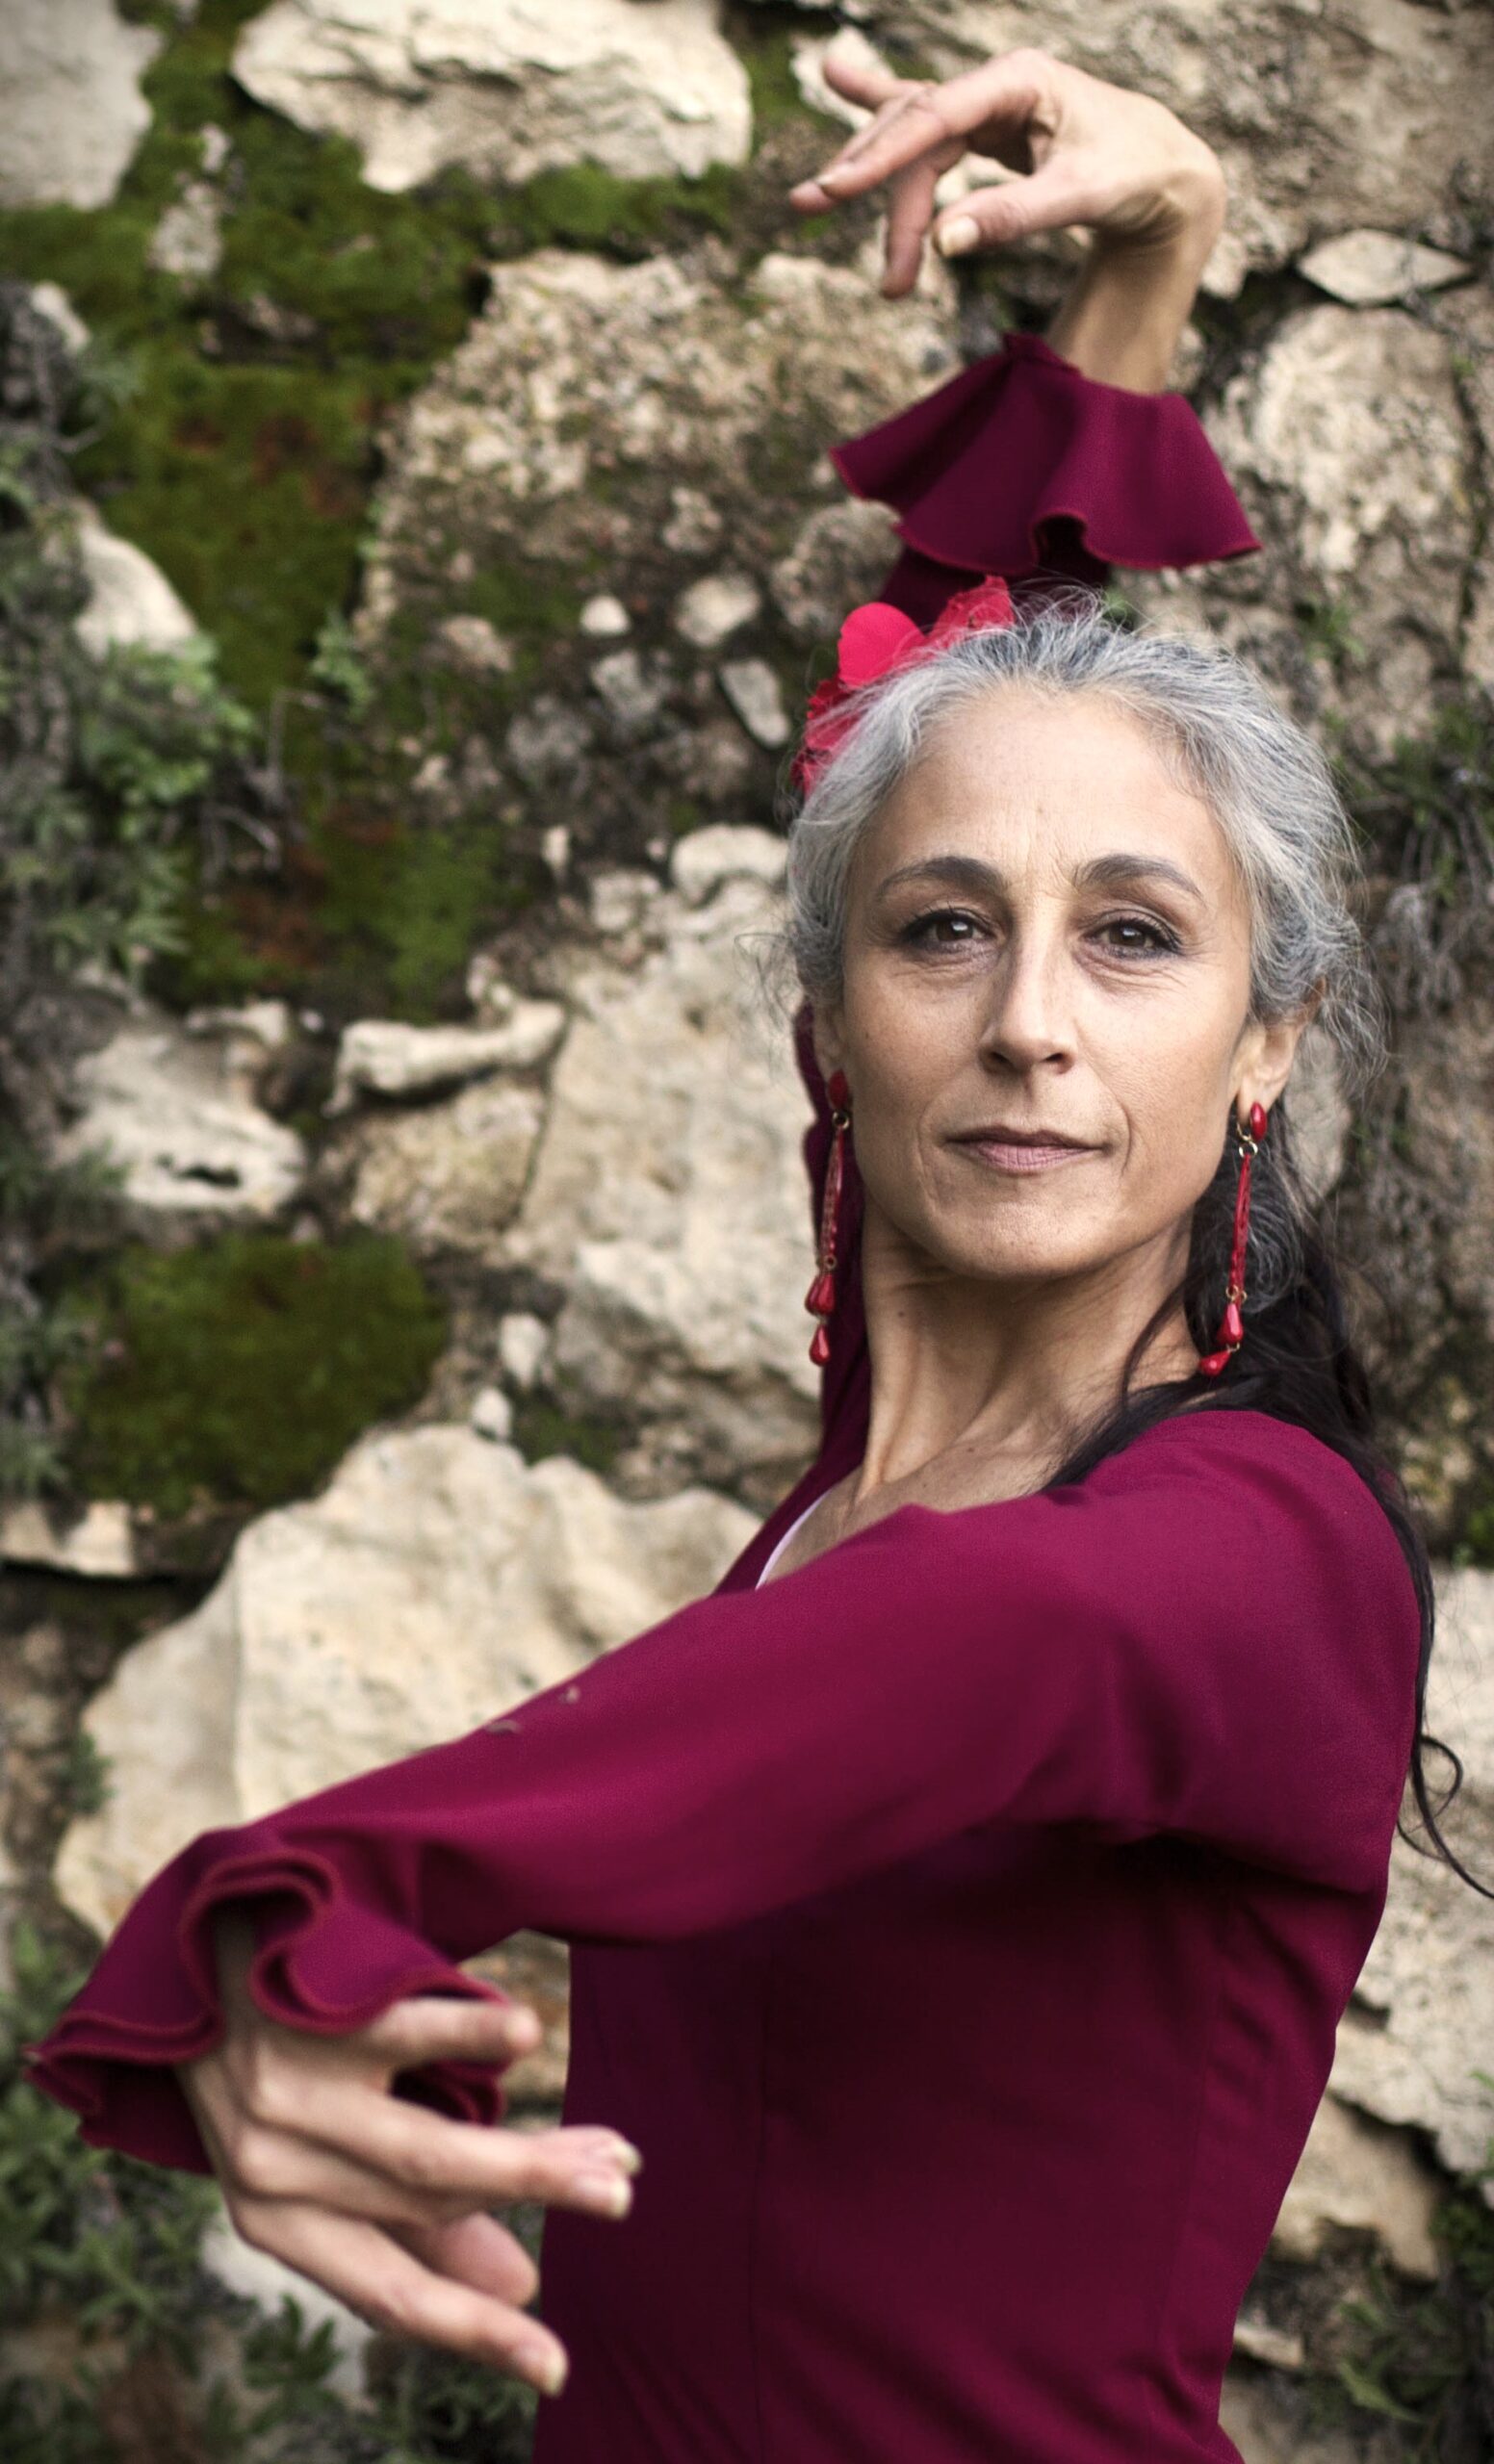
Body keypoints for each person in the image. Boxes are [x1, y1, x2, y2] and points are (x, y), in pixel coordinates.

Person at [22, 45, 1481, 2464]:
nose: (1025, 1021)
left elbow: (988, 1636)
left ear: (1265, 1046)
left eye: (1136, 940)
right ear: (832, 1024)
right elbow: (945, 697)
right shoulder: (878, 1443)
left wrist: (322, 1872)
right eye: (939, 936)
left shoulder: (1251, 1551)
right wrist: (1152, 259)